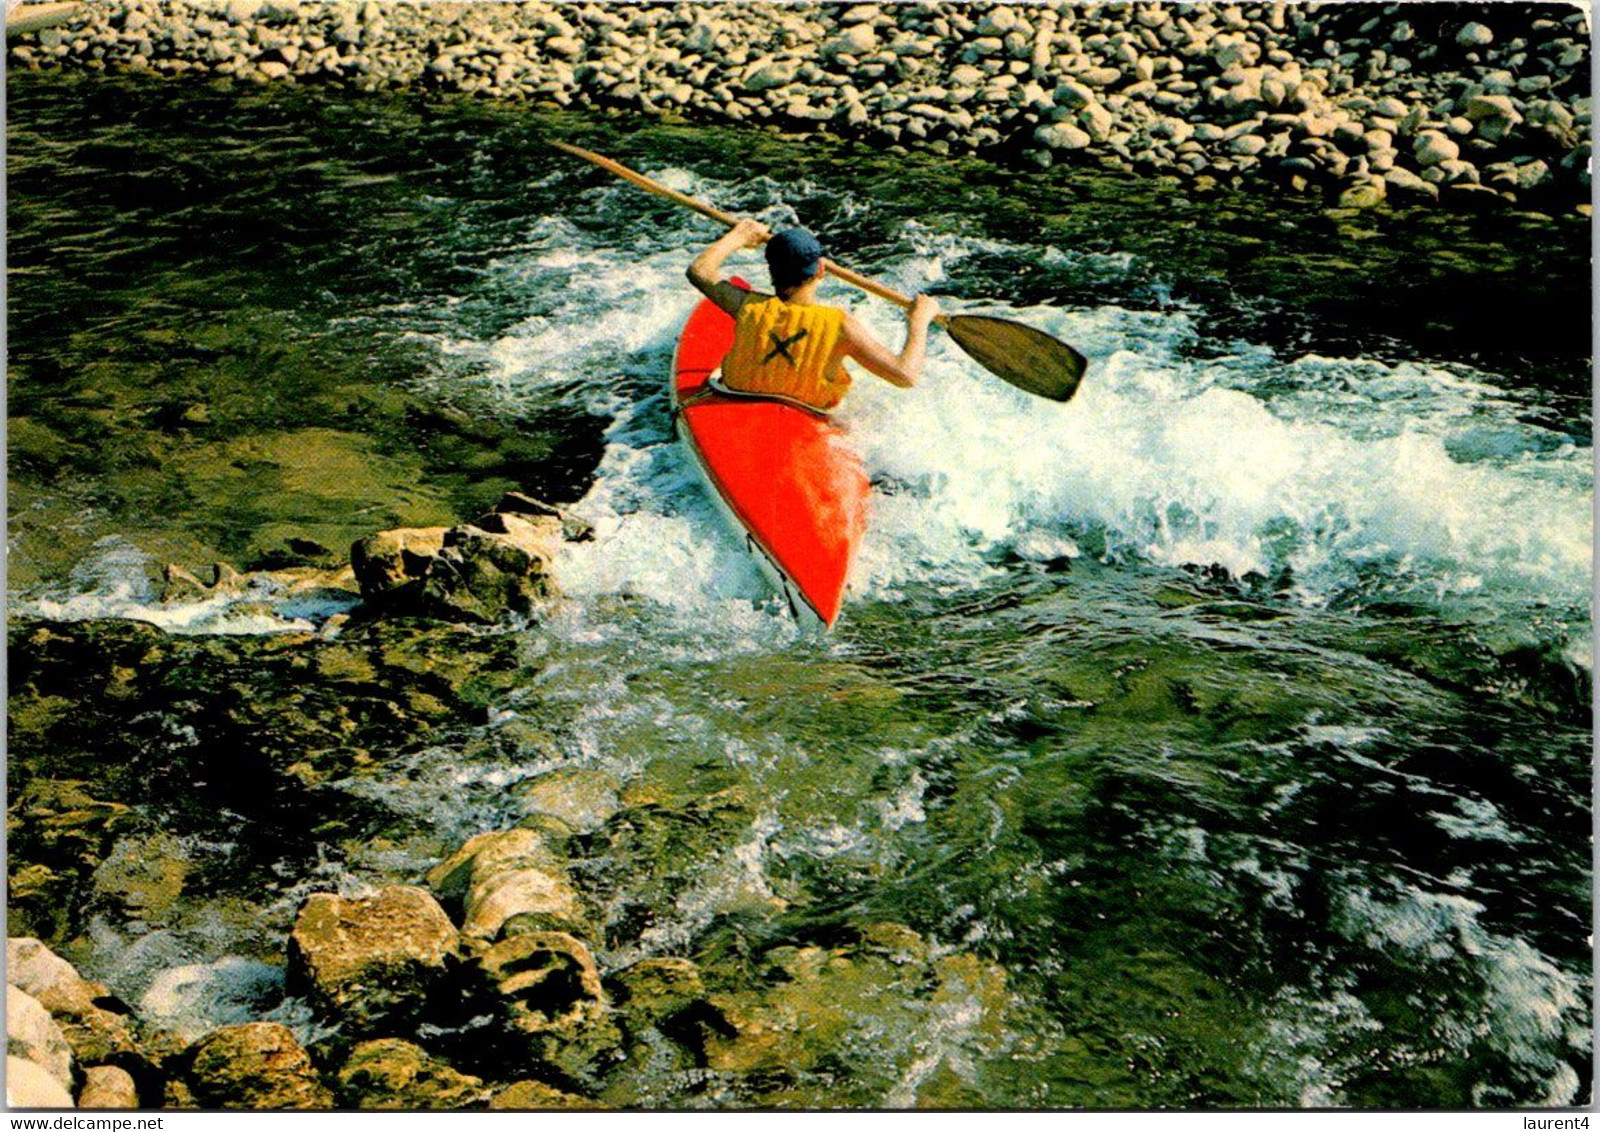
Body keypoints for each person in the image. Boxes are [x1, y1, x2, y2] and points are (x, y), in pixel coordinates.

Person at [687, 219, 941, 411]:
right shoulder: (841, 326)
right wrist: (919, 322)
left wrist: (740, 235)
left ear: (771, 271)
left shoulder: (746, 306)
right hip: (807, 413)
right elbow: (905, 375)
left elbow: (699, 270)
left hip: (736, 403)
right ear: (821, 270)